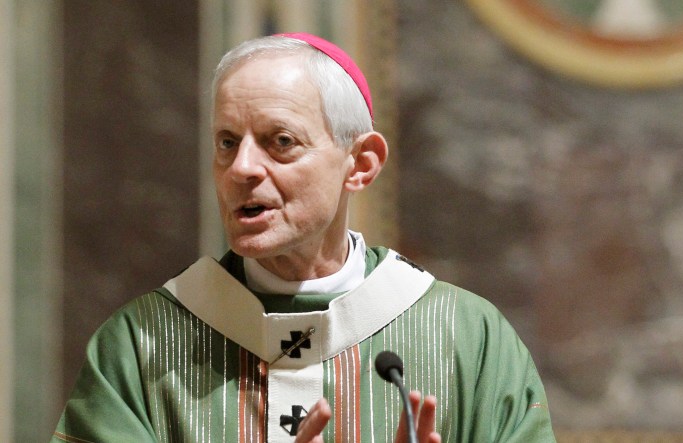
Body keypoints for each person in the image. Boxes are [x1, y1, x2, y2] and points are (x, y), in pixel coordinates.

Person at [51, 33, 556, 442]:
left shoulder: (468, 339)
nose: (242, 168)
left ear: (360, 164)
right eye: (227, 142)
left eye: (281, 141)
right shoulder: (142, 344)